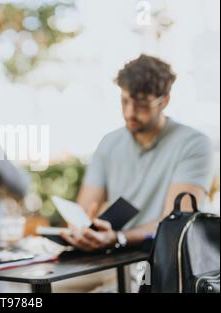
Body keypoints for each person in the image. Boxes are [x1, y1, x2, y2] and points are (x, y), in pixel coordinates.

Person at [60, 54, 215, 252]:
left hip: (165, 260)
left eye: (141, 104)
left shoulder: (193, 144)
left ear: (164, 101)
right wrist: (85, 230)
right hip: (112, 257)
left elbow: (176, 224)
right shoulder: (109, 143)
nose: (129, 112)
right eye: (124, 101)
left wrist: (119, 238)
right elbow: (83, 211)